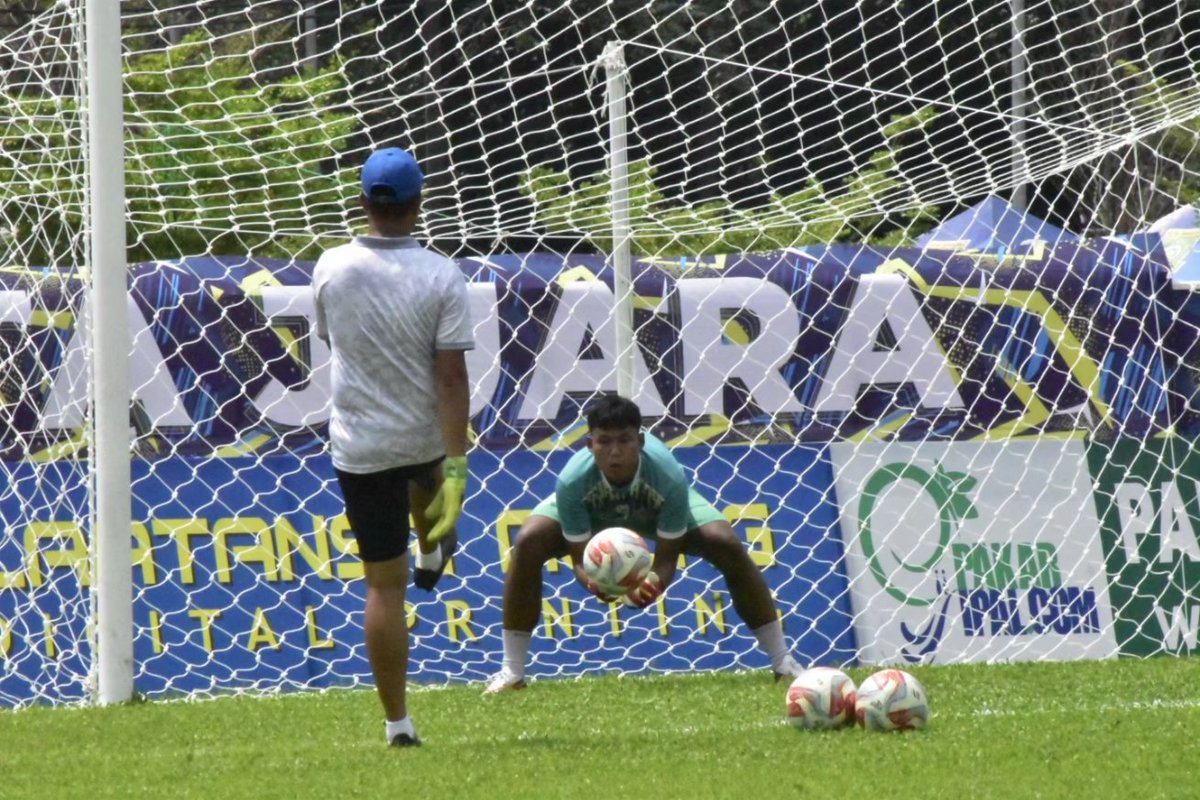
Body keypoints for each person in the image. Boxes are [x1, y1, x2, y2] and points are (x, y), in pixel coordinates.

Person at [313, 146, 472, 747]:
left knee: (383, 584)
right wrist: (457, 463)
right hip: (424, 437)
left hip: (360, 445)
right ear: (420, 204)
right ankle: (433, 551)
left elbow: (332, 342)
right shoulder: (441, 273)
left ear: (363, 203)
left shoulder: (331, 266)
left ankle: (398, 725)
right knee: (432, 493)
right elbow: (451, 377)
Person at [484, 394, 805, 694]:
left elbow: (666, 560)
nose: (614, 451)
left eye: (624, 440)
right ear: (588, 445)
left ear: (639, 441)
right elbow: (581, 562)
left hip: (653, 511)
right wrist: (598, 585)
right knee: (528, 540)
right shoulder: (572, 481)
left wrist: (651, 584)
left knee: (725, 542)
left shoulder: (667, 474)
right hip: (595, 513)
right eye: (604, 441)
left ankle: (782, 661)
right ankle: (512, 673)